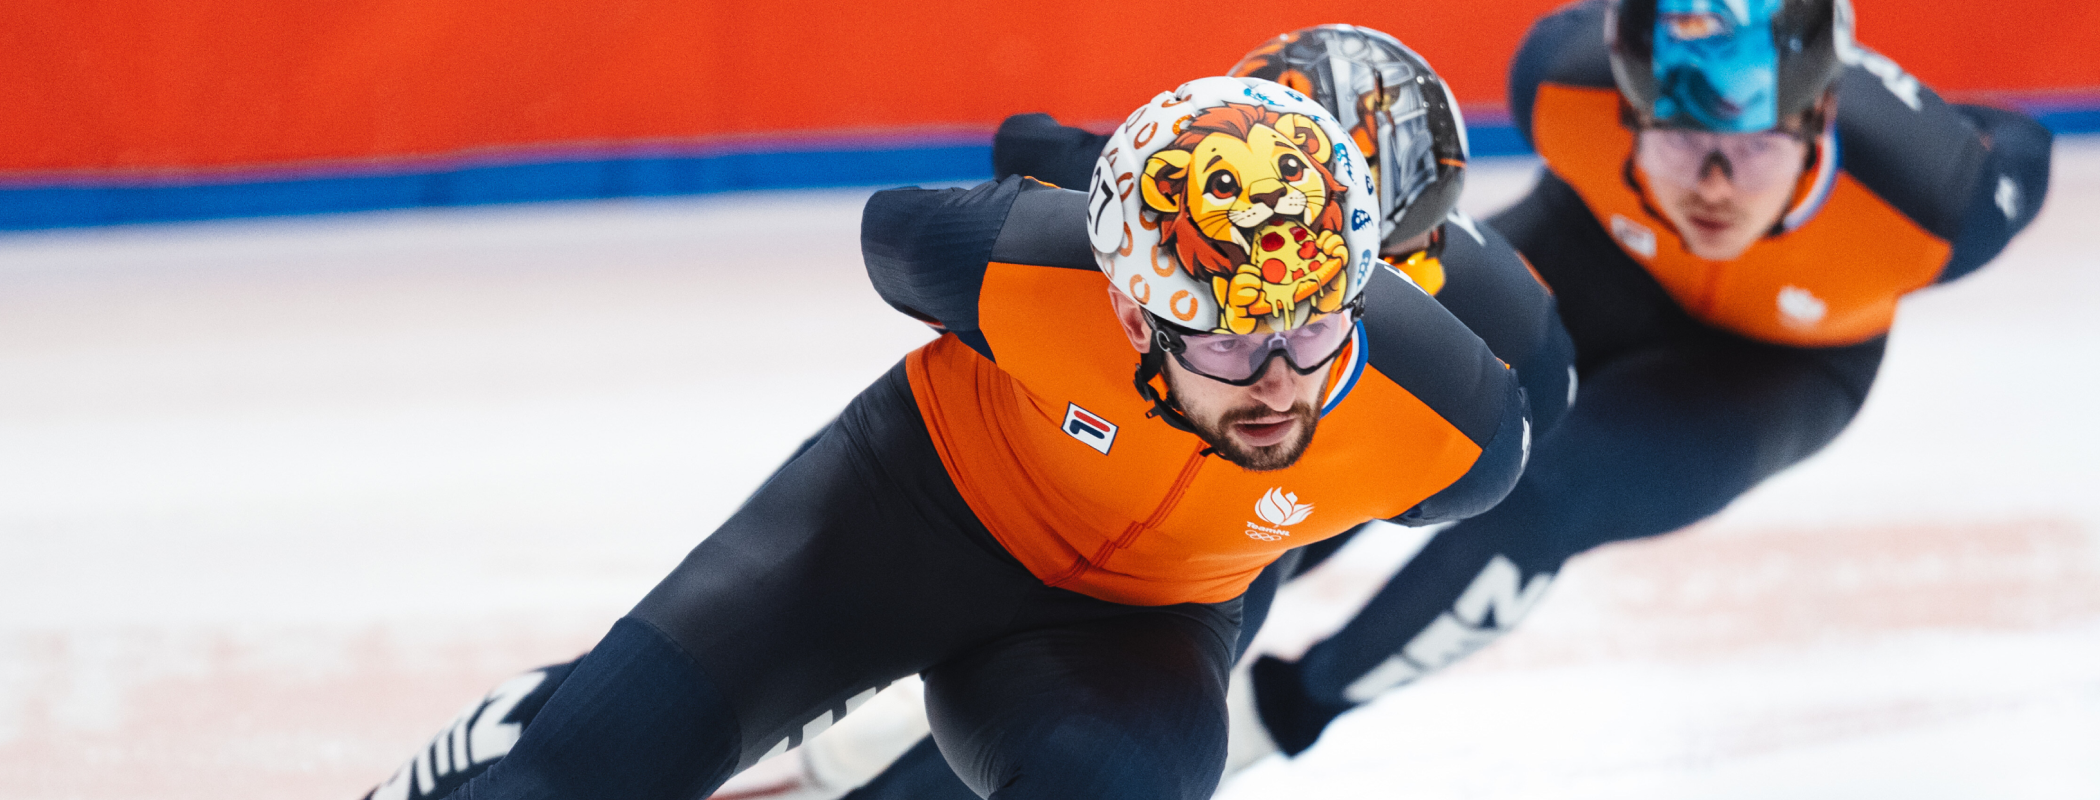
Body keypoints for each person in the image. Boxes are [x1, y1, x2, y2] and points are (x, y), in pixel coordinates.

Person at [358, 75, 1531, 800]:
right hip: (897, 519)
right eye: (1224, 339)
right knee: (584, 777)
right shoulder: (1019, 264)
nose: (1279, 381)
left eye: (1317, 328)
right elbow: (898, 227)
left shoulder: (1453, 431)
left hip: (1139, 629)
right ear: (1129, 308)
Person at [710, 24, 1583, 800]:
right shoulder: (1162, 193)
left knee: (1184, 644)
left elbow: (1025, 140)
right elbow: (1028, 156)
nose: (1292, 290)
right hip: (1157, 429)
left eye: (1368, 262)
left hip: (1294, 472)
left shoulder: (1505, 322)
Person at [1242, 0, 2055, 759]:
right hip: (1592, 252)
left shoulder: (1937, 199)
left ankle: (1271, 719)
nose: (1712, 184)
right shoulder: (1560, 79)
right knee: (1376, 398)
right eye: (1675, 136)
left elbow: (2021, 141)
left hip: (1776, 366)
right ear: (1624, 104)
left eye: (1752, 146)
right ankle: (1205, 595)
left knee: (1543, 501)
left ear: (1821, 117)